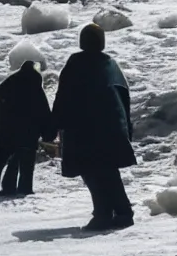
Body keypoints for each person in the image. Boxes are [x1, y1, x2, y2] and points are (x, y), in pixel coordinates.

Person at [51, 24, 135, 231]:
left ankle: (103, 214)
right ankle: (123, 212)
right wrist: (126, 129)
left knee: (91, 171)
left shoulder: (76, 63)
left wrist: (54, 124)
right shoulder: (111, 65)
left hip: (85, 129)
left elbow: (64, 97)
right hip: (112, 128)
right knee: (108, 170)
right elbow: (124, 98)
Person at [0, 60, 54, 197]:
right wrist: (49, 133)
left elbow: (0, 105)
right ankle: (22, 188)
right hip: (28, 135)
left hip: (5, 132)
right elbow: (43, 112)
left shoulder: (5, 85)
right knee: (24, 161)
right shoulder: (35, 88)